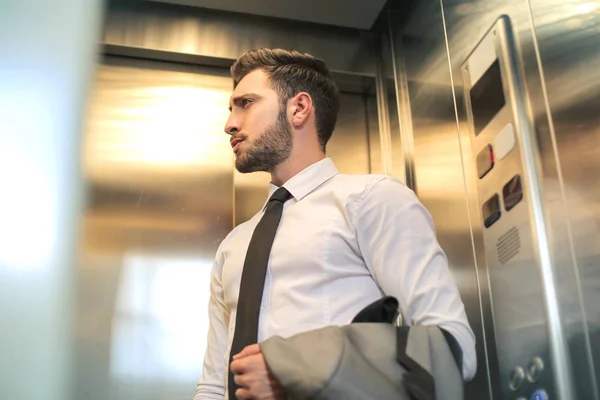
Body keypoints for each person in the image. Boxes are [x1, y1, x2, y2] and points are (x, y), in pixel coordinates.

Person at [193, 48, 476, 400]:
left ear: (298, 108)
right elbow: (213, 385)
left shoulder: (372, 200)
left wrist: (297, 370)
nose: (230, 124)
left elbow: (452, 347)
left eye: (246, 103)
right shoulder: (233, 246)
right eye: (231, 109)